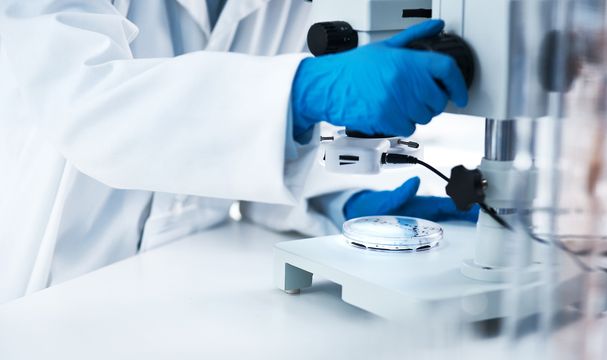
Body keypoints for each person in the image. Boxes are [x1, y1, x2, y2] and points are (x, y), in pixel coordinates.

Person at [0, 0, 477, 304]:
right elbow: (88, 106)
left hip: (186, 288)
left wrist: (342, 202)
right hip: (49, 287)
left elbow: (243, 153)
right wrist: (302, 90)